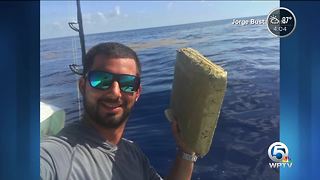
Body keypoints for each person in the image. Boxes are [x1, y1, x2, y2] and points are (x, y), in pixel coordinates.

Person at [40, 42, 197, 180]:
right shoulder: (55, 155)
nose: (115, 92)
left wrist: (186, 151)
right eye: (101, 80)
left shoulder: (132, 153)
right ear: (83, 86)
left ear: (137, 93)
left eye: (128, 83)